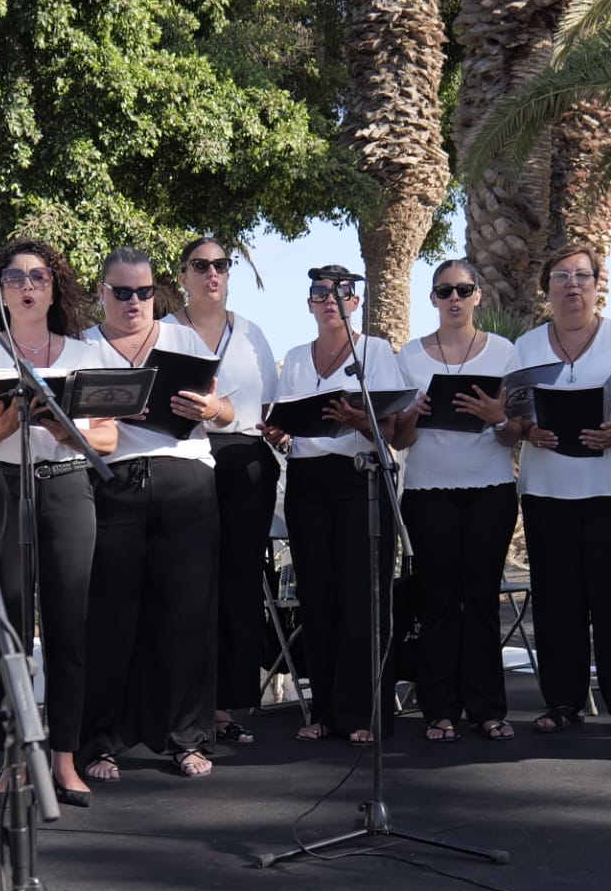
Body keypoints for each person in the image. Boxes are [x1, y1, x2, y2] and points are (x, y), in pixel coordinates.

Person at [0, 239, 115, 804]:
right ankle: (13, 760)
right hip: (2, 489)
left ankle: (66, 759)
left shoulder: (82, 354)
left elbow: (108, 437)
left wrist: (59, 426)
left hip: (67, 487)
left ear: (54, 288)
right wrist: (4, 426)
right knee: (10, 631)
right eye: (16, 276)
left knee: (69, 628)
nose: (27, 286)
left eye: (39, 276)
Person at [79, 247, 226, 779]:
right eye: (122, 292)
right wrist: (112, 407)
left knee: (186, 616)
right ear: (102, 293)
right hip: (114, 482)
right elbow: (72, 424)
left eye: (144, 292)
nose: (134, 302)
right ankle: (100, 742)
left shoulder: (183, 339)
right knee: (111, 619)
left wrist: (211, 409)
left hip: (186, 480)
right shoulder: (84, 349)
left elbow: (227, 410)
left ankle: (188, 738)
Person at [505, 244, 611, 737]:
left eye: (582, 276)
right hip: (548, 487)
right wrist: (530, 430)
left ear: (597, 286)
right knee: (556, 599)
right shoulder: (525, 346)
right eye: (561, 276)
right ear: (546, 288)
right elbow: (511, 414)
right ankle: (562, 702)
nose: (572, 285)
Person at [266, 265, 409, 744]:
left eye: (342, 292)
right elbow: (286, 425)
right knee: (319, 599)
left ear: (356, 302)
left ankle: (365, 714)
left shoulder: (376, 352)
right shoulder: (294, 357)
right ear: (309, 303)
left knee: (363, 598)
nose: (331, 300)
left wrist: (357, 418)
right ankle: (324, 712)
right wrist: (279, 433)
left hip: (360, 479)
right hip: (309, 480)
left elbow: (391, 430)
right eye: (320, 293)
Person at [387, 259, 518, 742]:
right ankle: (438, 709)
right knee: (438, 601)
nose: (455, 299)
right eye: (445, 291)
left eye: (464, 289)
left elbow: (514, 435)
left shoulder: (504, 352)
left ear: (478, 295)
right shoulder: (409, 356)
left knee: (480, 600)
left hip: (491, 486)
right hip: (427, 489)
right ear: (433, 299)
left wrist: (497, 416)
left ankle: (487, 709)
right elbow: (399, 441)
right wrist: (415, 413)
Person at [169, 238, 279, 745]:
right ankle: (182, 707)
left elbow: (270, 406)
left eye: (221, 265)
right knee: (189, 589)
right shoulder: (164, 333)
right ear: (183, 275)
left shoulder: (253, 333)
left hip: (247, 465)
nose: (212, 273)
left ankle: (227, 707)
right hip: (185, 464)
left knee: (238, 586)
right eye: (200, 265)